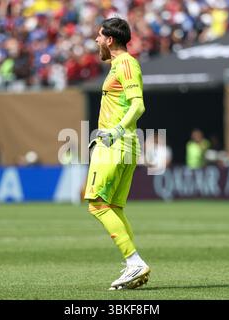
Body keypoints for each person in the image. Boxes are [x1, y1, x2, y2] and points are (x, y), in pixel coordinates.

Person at [84, 17, 150, 290]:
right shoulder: (119, 66)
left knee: (97, 204)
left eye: (99, 36)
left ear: (110, 40)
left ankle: (134, 261)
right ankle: (133, 265)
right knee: (114, 207)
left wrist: (114, 132)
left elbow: (138, 106)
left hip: (116, 144)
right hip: (124, 145)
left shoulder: (124, 63)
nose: (96, 41)